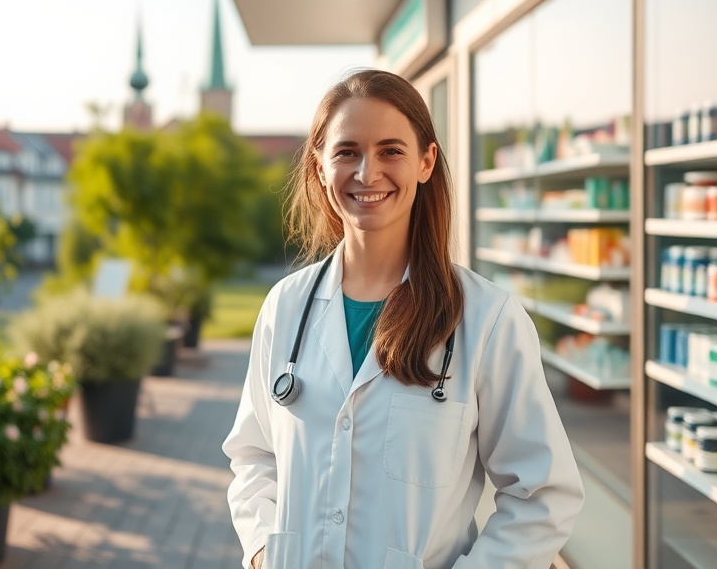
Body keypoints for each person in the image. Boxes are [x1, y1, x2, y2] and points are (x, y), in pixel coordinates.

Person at [223, 69, 584, 569]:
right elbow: (254, 456)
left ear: (426, 161)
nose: (367, 173)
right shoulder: (286, 307)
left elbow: (543, 495)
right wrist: (263, 547)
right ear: (320, 166)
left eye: (391, 150)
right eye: (347, 151)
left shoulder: (487, 320)